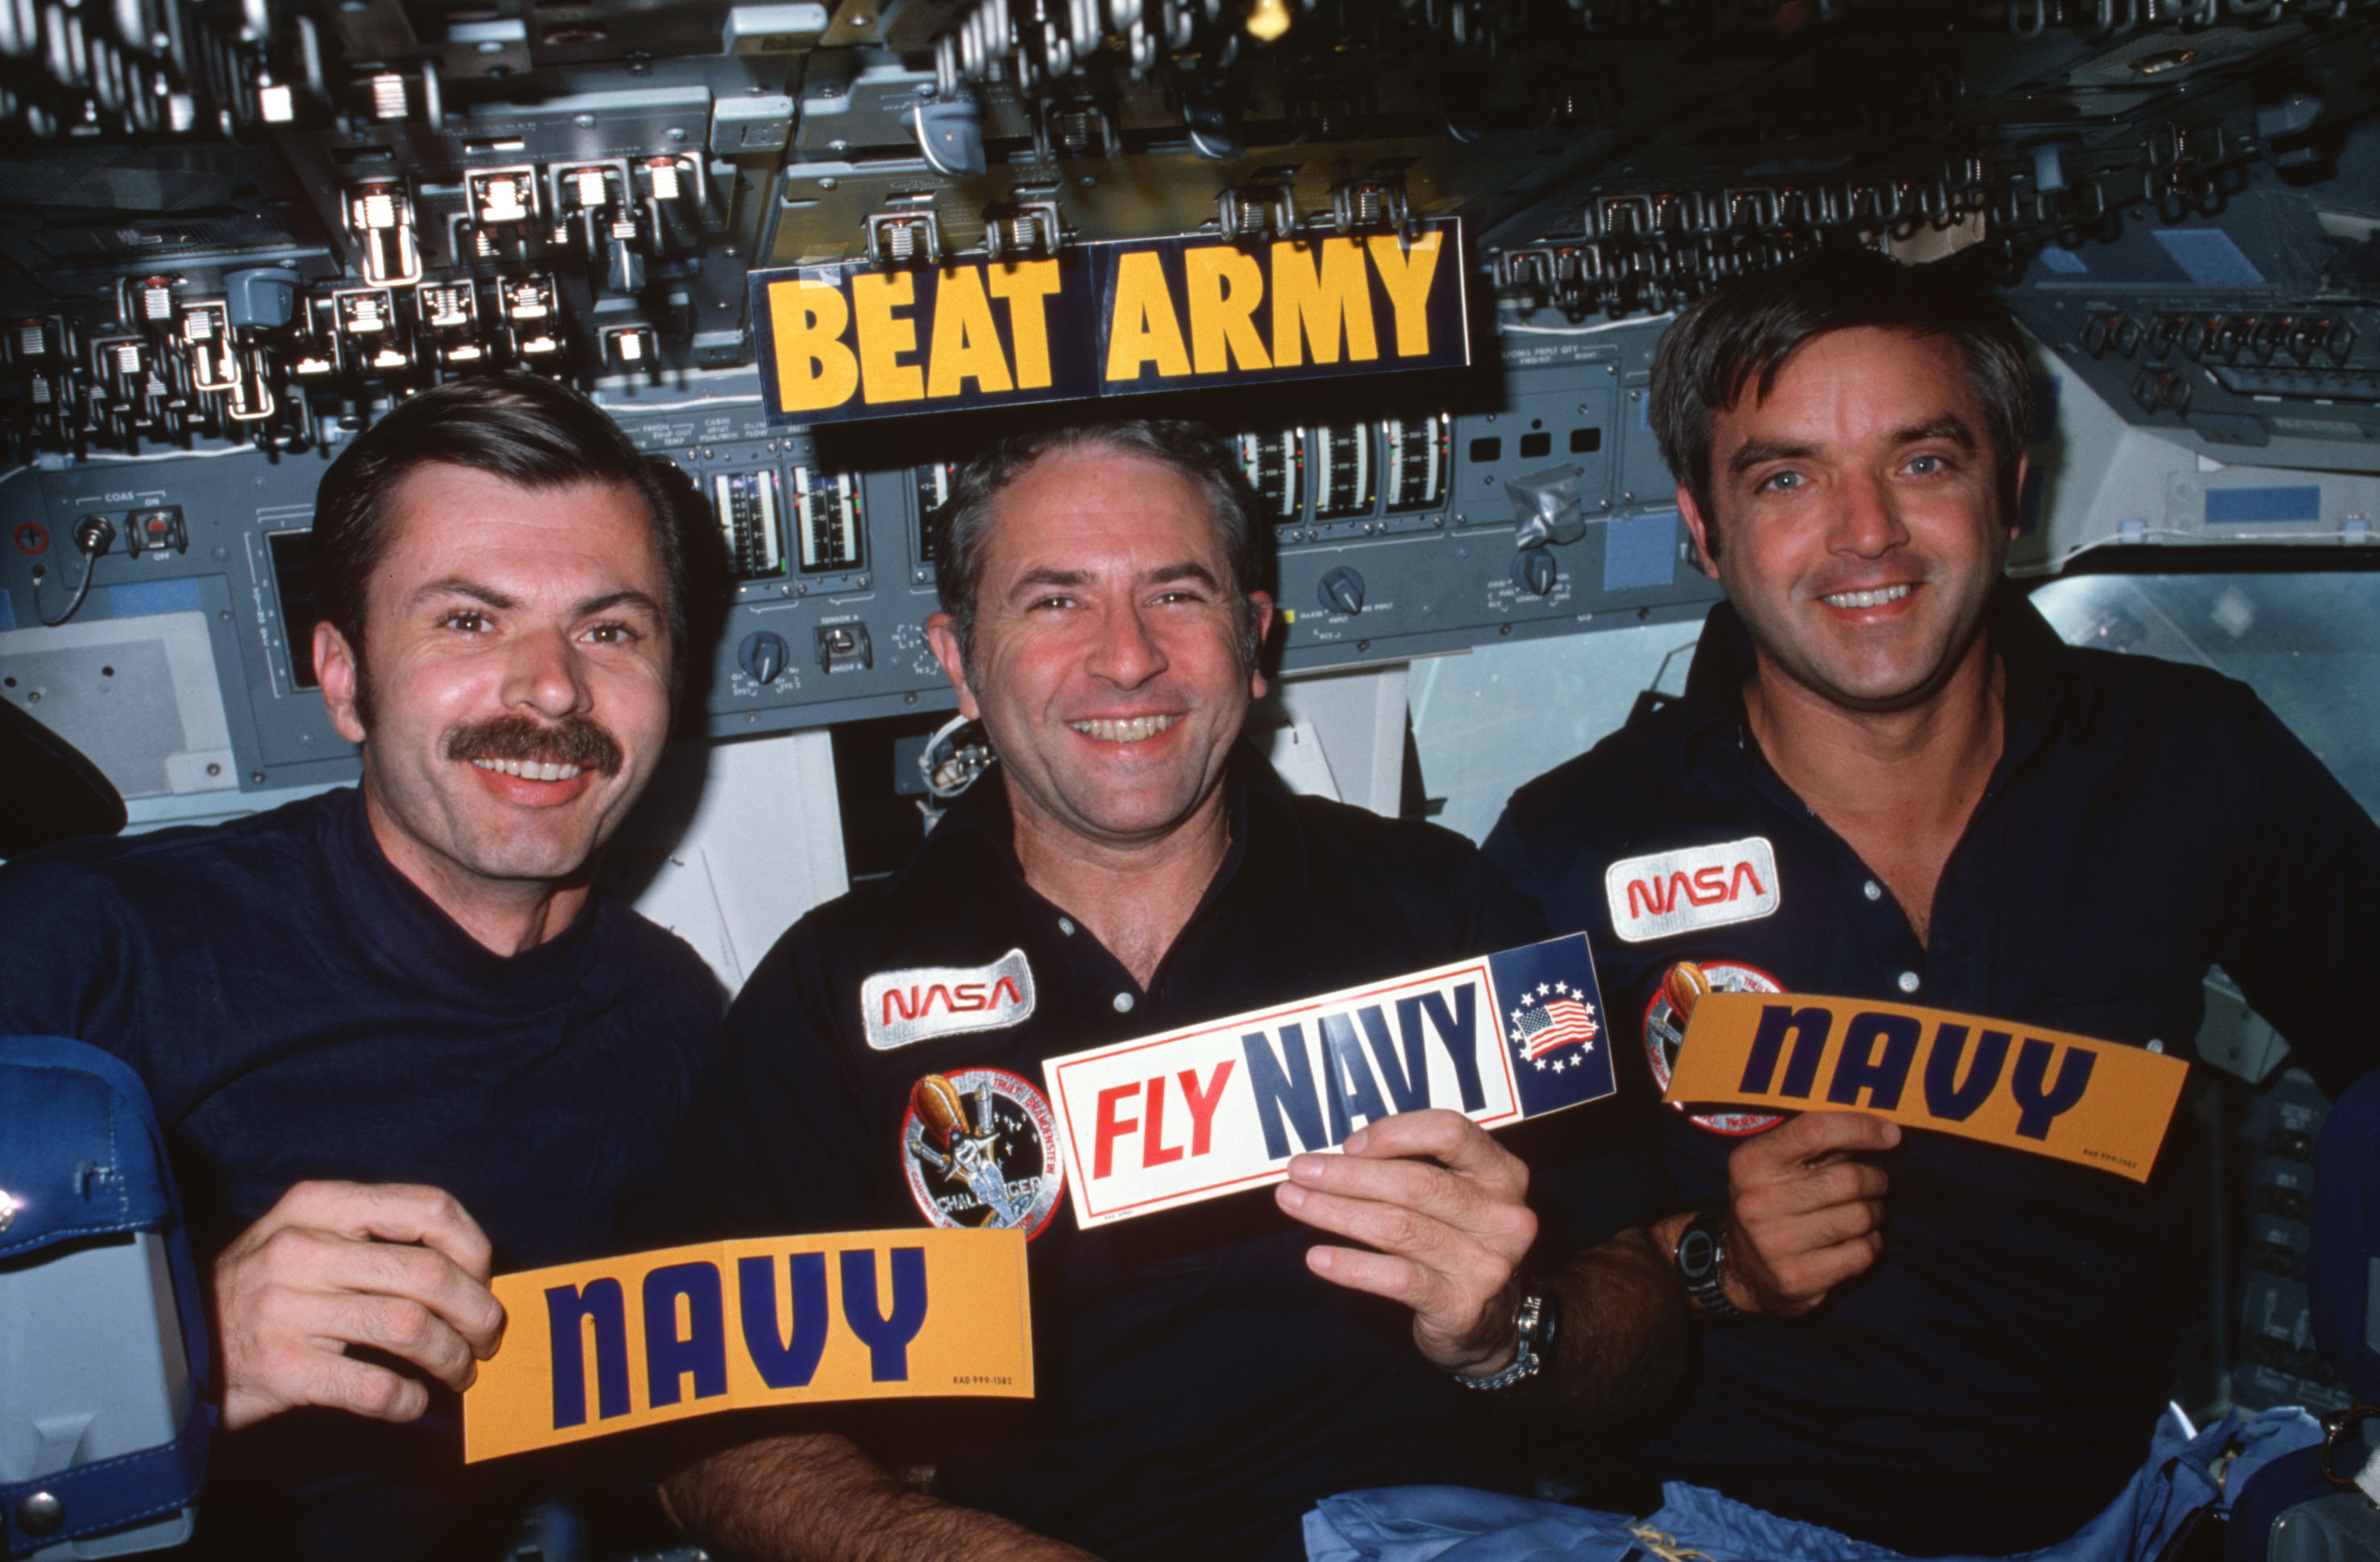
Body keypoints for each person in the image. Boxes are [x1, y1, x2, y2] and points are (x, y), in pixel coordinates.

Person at [647, 418, 1686, 1562]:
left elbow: (1640, 1317)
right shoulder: (831, 990)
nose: (1127, 656)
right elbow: (711, 1443)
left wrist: (1509, 1330)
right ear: (956, 656)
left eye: (1176, 596)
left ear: (1252, 640)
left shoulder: (1439, 906)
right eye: (1054, 601)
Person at [1484, 246, 2380, 1555]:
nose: (1865, 534)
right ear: (1702, 528)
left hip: (2121, 1507)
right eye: (1785, 476)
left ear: (2009, 489)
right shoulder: (1570, 850)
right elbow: (1542, 1345)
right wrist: (1716, 1263)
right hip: (1740, 1528)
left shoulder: (2190, 759)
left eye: (1921, 461)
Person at [0, 373, 725, 1559]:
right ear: (344, 677)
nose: (552, 685)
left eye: (609, 628)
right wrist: (178, 1358)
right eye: (467, 619)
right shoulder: (77, 944)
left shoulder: (674, 1014)